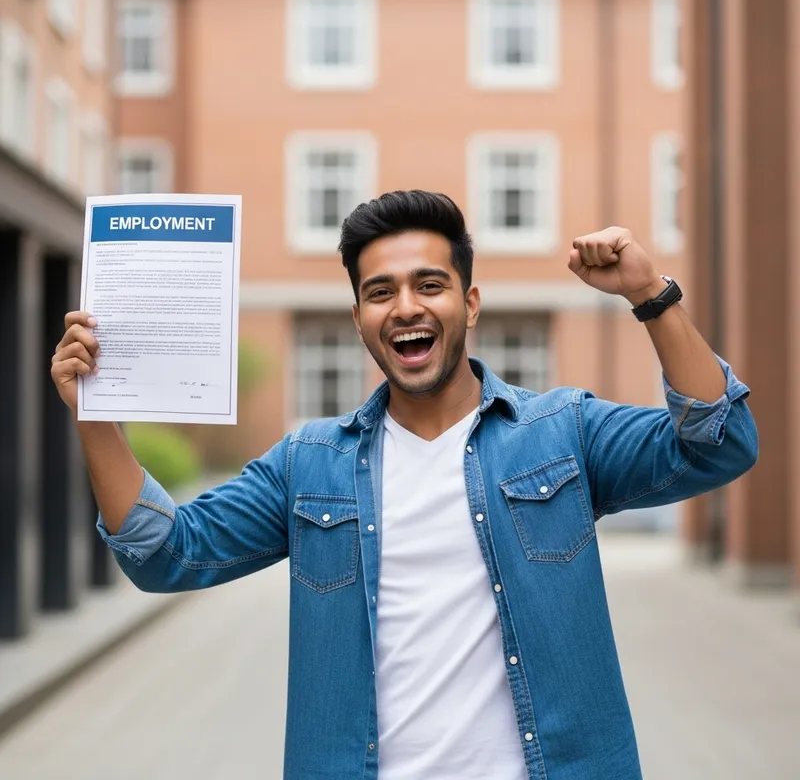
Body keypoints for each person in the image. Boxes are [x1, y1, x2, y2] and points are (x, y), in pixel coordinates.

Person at [51, 190, 757, 780]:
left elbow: (720, 443)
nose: (406, 307)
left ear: (470, 303)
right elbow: (165, 555)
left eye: (430, 285)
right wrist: (96, 414)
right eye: (380, 292)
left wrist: (649, 294)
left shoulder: (561, 432)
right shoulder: (311, 464)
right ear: (359, 317)